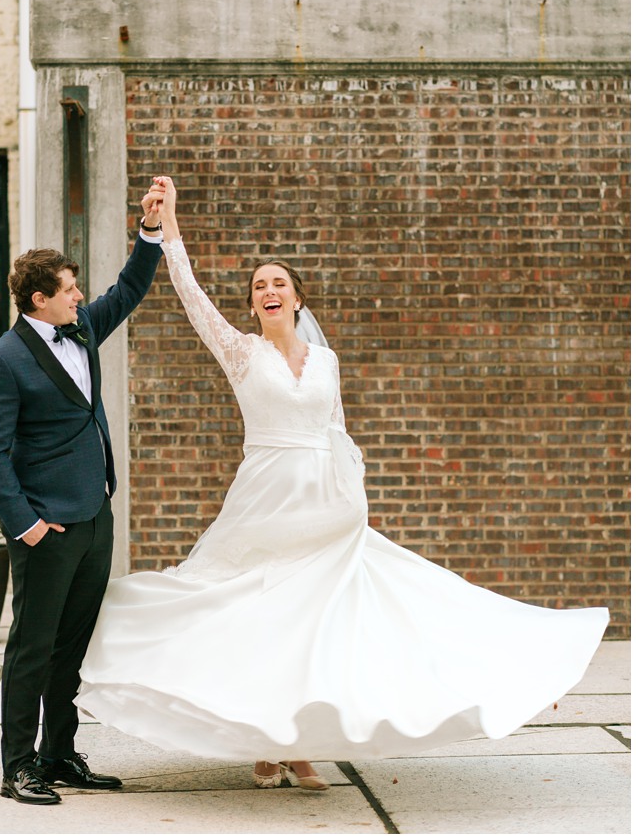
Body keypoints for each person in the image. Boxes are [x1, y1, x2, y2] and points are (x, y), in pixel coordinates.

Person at [78, 176, 609, 790]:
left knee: (317, 623)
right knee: (260, 616)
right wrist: (166, 225)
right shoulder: (240, 350)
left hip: (325, 505)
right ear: (252, 305)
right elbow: (190, 293)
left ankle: (292, 742)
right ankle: (269, 740)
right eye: (258, 286)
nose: (268, 291)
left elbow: (338, 430)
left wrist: (353, 498)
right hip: (266, 498)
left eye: (279, 283)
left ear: (299, 300)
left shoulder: (326, 361)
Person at [0, 180, 167, 806]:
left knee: (70, 649)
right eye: (69, 289)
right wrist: (24, 524)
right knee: (31, 648)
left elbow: (129, 289)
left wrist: (150, 231)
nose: (81, 296)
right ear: (39, 299)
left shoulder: (81, 328)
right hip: (46, 529)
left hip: (94, 517)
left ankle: (58, 754)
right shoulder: (4, 360)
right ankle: (18, 766)